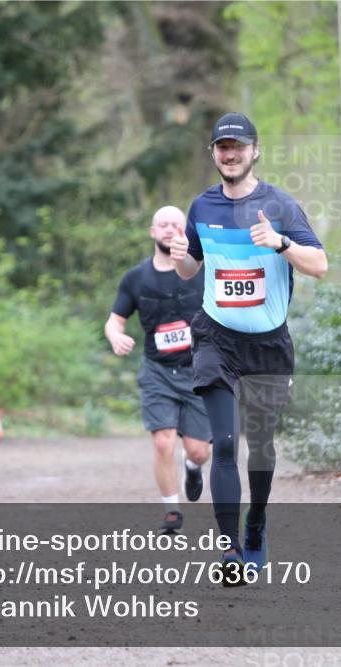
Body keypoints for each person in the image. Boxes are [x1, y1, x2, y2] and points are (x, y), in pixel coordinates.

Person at [169, 112, 328, 585]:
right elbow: (191, 269)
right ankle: (231, 549)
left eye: (238, 146)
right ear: (213, 154)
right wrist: (181, 261)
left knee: (260, 449)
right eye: (222, 147)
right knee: (224, 443)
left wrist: (279, 243)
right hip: (217, 338)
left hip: (269, 346)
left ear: (255, 151)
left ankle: (256, 523)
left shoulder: (280, 204)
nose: (230, 153)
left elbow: (319, 264)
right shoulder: (202, 207)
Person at [105, 205, 212, 533]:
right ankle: (171, 510)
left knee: (198, 449)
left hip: (199, 370)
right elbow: (114, 322)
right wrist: (116, 337)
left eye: (175, 225)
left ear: (185, 232)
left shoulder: (205, 272)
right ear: (153, 232)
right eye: (162, 225)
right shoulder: (136, 278)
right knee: (163, 442)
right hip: (158, 371)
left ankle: (192, 466)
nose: (168, 230)